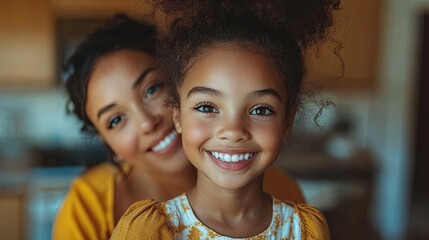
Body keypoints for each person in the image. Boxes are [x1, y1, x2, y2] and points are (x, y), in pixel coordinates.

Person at [52, 14, 305, 240]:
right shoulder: (88, 207)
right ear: (110, 145)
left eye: (152, 89)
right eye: (116, 120)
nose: (147, 123)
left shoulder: (284, 199)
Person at [111, 0, 340, 239]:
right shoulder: (148, 231)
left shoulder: (305, 230)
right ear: (177, 116)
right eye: (207, 107)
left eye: (261, 110)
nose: (233, 130)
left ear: (287, 122)